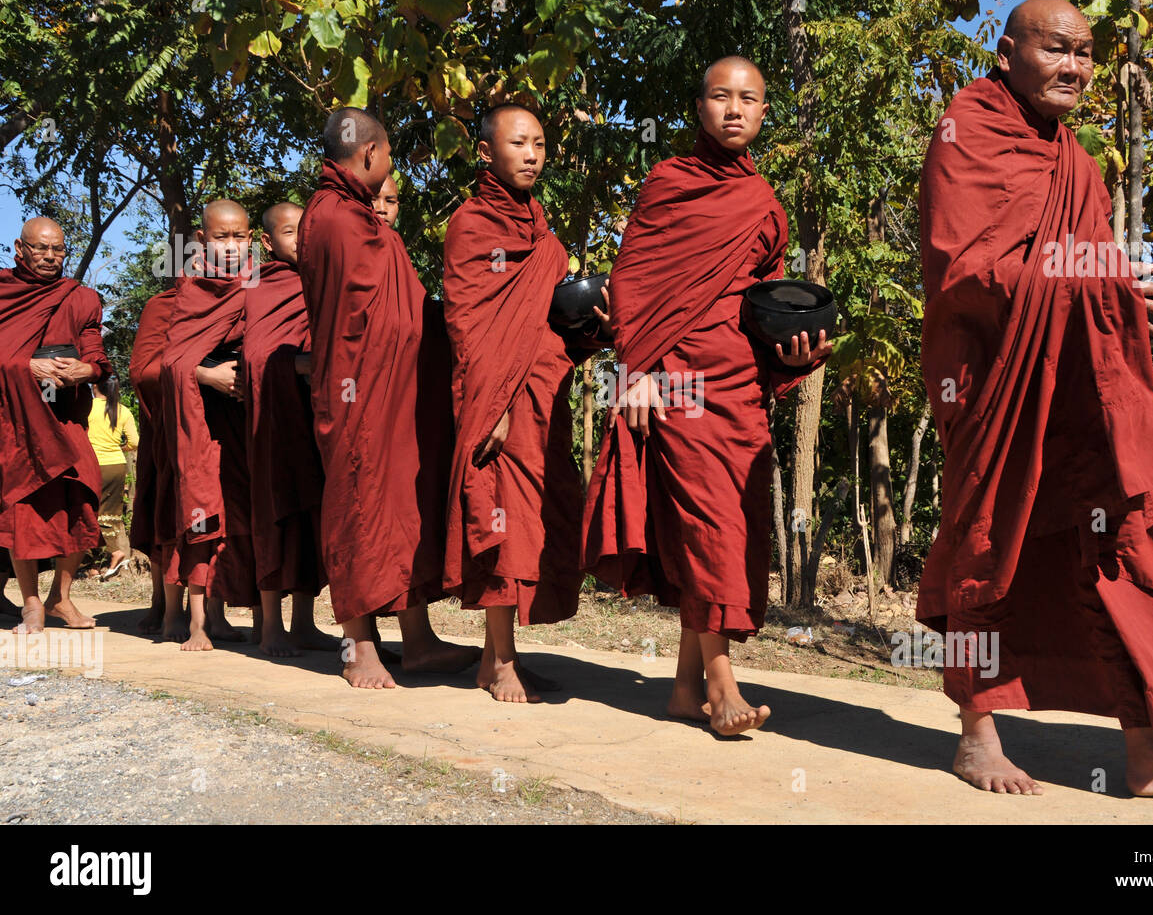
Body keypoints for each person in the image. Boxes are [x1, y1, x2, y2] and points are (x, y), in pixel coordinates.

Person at [917, 0, 1153, 796]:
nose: (1073, 66)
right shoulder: (966, 132)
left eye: (1084, 54)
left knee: (1126, 539)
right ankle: (977, 735)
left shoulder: (1075, 160)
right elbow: (968, 271)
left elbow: (1095, 280)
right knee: (986, 541)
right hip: (993, 379)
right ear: (1007, 53)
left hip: (1076, 389)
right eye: (1054, 49)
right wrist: (1105, 289)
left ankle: (1150, 750)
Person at [583, 58, 831, 734]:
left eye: (748, 98)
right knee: (708, 526)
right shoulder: (669, 184)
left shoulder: (765, 205)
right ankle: (723, 685)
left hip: (740, 388)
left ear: (763, 112)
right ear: (699, 107)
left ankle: (685, 685)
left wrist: (794, 354)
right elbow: (631, 275)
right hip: (676, 381)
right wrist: (630, 369)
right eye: (720, 97)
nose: (733, 110)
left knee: (736, 525)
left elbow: (767, 305)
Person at [297, 107, 478, 688]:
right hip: (357, 394)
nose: (390, 166)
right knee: (357, 507)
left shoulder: (353, 217)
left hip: (392, 391)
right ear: (371, 154)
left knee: (402, 507)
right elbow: (353, 320)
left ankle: (418, 640)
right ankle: (357, 645)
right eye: (391, 155)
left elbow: (393, 305)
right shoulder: (337, 218)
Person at [443, 104, 611, 703]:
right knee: (501, 520)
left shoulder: (541, 234)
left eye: (539, 143)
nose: (533, 155)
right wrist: (496, 402)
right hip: (498, 399)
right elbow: (468, 324)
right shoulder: (470, 226)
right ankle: (504, 660)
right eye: (519, 143)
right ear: (486, 152)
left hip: (543, 396)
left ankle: (492, 660)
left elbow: (544, 326)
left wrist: (594, 329)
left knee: (533, 516)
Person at [155, 199, 259, 651]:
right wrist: (205, 375)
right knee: (199, 509)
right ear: (201, 239)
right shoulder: (190, 287)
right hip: (200, 420)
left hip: (243, 418)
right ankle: (196, 620)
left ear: (252, 239)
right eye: (222, 237)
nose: (232, 246)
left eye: (240, 237)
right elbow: (170, 361)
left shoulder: (262, 283)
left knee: (236, 512)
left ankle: (220, 613)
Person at [0, 216, 111, 633]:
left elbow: (96, 352)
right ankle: (30, 603)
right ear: (19, 248)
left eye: (58, 249)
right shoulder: (4, 292)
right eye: (40, 248)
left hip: (64, 416)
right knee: (22, 506)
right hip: (16, 419)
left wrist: (87, 370)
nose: (50, 257)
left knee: (85, 492)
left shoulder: (80, 298)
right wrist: (25, 366)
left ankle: (60, 597)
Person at [243, 201, 335, 657]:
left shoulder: (321, 280)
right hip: (269, 422)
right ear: (266, 242)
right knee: (272, 516)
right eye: (288, 232)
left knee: (309, 513)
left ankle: (304, 622)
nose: (300, 240)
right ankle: (270, 626)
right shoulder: (257, 286)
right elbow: (253, 356)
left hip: (310, 416)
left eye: (307, 230)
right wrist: (300, 364)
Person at [128, 284, 181, 635]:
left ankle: (212, 612)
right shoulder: (163, 305)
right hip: (166, 426)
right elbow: (143, 371)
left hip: (223, 423)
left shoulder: (244, 298)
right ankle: (162, 602)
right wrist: (197, 373)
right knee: (165, 507)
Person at [87, 377, 138, 579]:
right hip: (117, 465)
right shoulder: (123, 410)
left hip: (92, 465)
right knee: (109, 514)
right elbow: (134, 442)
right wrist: (118, 448)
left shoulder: (87, 408)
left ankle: (114, 553)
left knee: (88, 512)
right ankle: (96, 565)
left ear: (95, 386)